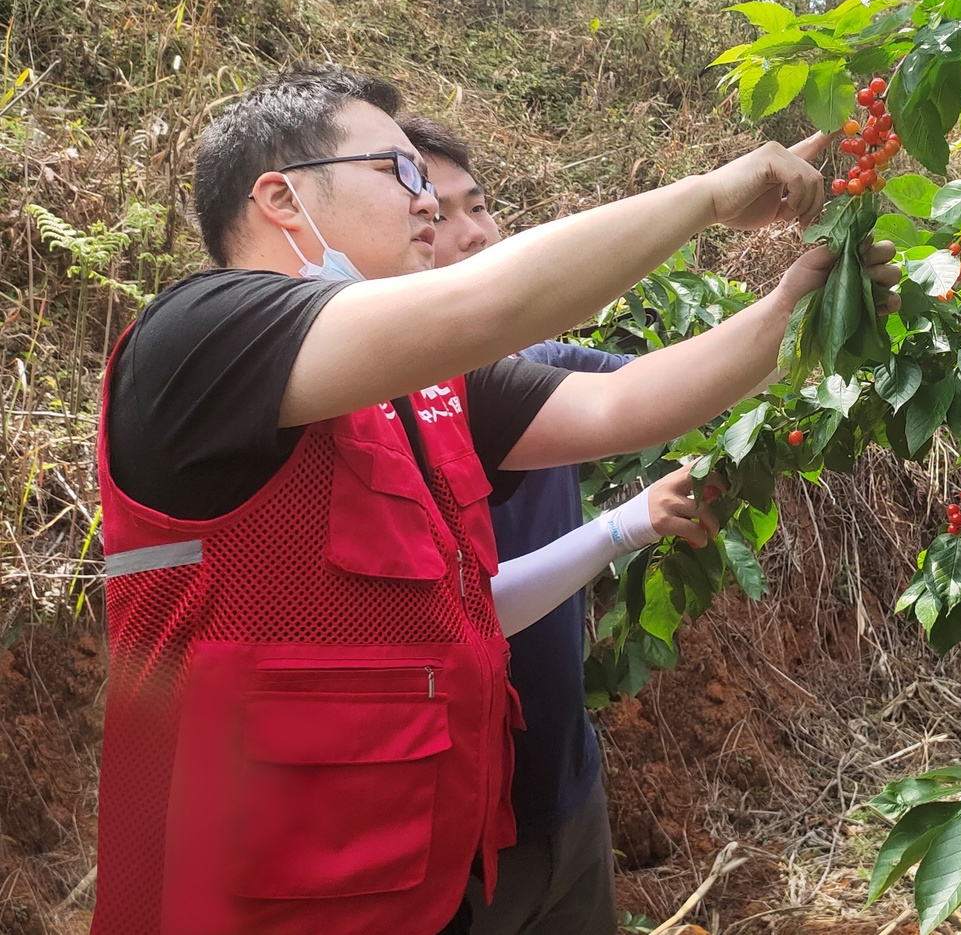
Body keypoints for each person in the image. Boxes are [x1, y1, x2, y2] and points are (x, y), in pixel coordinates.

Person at [93, 66, 898, 935]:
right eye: (398, 173)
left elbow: (625, 404)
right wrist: (708, 196)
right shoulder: (198, 340)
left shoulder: (423, 392)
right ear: (284, 199)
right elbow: (491, 302)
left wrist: (796, 307)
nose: (429, 204)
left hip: (421, 899)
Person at [400, 115, 629, 935]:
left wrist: (814, 311)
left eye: (478, 205)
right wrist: (627, 526)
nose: (470, 234)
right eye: (432, 215)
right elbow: (473, 609)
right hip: (455, 843)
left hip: (569, 792)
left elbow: (662, 388)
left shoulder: (536, 363)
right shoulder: (391, 410)